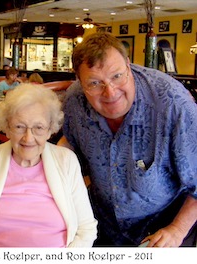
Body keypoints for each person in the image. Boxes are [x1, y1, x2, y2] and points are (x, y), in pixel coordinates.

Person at [58, 32, 197, 247]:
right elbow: (70, 147)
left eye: (117, 76)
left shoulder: (173, 105)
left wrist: (177, 230)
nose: (110, 92)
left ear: (128, 66)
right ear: (80, 81)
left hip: (164, 227)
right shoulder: (75, 101)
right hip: (103, 225)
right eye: (95, 83)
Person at [0, 83, 98, 247]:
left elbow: (86, 229)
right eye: (19, 127)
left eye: (38, 127)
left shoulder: (66, 161)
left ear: (50, 130)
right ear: (6, 128)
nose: (28, 138)